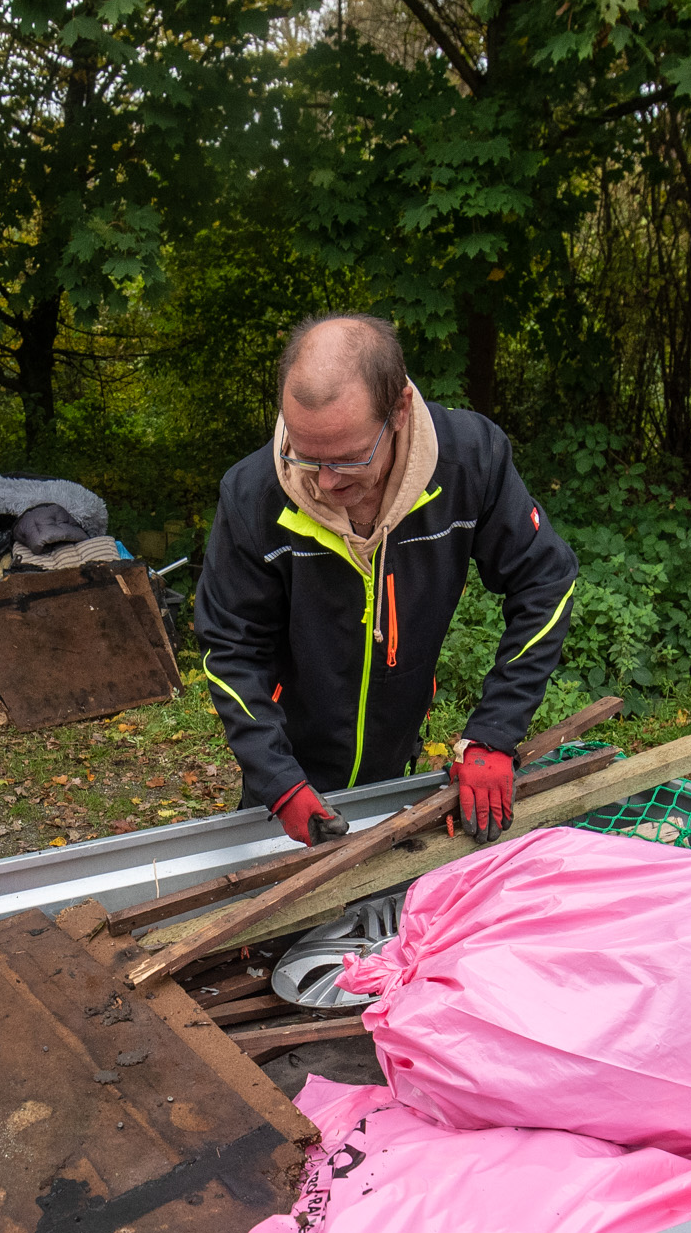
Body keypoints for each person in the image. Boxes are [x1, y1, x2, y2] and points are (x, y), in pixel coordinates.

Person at [192, 314, 578, 846]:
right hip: (288, 770)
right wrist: (277, 782)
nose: (325, 482)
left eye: (348, 459)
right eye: (304, 454)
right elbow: (230, 649)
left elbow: (546, 581)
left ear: (398, 409)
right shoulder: (252, 495)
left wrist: (496, 731)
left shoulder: (471, 461)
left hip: (397, 761)